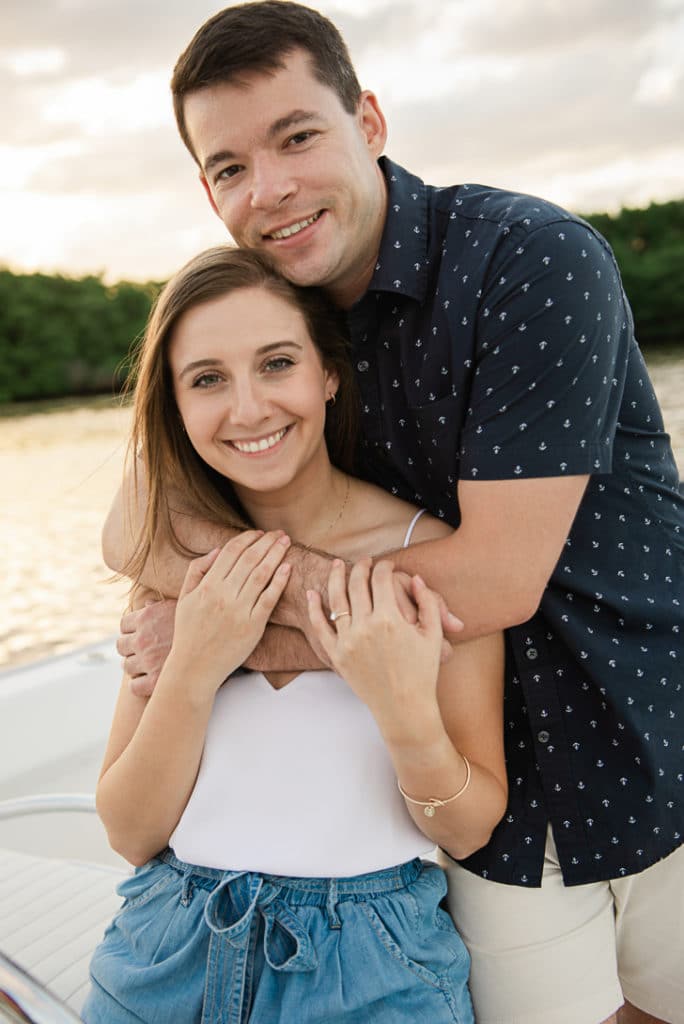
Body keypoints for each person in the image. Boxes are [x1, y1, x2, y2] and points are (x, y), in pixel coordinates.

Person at [104, 4, 684, 1023]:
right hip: (479, 800)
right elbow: (135, 528)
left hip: (642, 732)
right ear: (207, 188)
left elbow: (499, 579)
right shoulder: (271, 311)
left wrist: (230, 629)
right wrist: (211, 620)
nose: (270, 188)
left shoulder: (529, 260)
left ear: (369, 119)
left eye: (296, 136)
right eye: (230, 165)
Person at [83, 246, 507, 1023]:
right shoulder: (174, 566)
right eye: (207, 379)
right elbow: (130, 830)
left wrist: (404, 710)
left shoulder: (431, 559)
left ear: (329, 375)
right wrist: (200, 661)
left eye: (277, 364)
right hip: (163, 953)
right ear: (175, 406)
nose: (247, 409)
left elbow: (472, 826)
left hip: (370, 968)